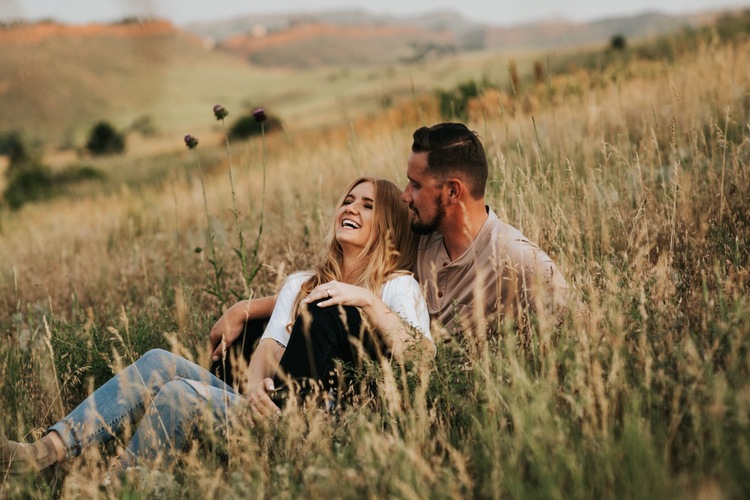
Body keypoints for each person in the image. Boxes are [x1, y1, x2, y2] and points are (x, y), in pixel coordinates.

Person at [0, 176, 433, 477]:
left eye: (368, 205)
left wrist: (366, 300)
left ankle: (120, 487)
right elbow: (269, 348)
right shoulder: (302, 283)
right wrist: (256, 392)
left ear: (388, 224)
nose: (351, 208)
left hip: (322, 426)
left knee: (177, 394)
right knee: (158, 363)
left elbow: (422, 358)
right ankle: (39, 454)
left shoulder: (397, 289)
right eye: (348, 200)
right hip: (267, 408)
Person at [207, 122, 568, 395]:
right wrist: (246, 308)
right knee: (255, 335)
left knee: (322, 318)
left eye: (415, 184)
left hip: (427, 386)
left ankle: (250, 416)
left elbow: (578, 328)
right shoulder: (419, 234)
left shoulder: (517, 259)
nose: (405, 196)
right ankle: (238, 407)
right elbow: (351, 278)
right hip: (367, 354)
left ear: (453, 191)